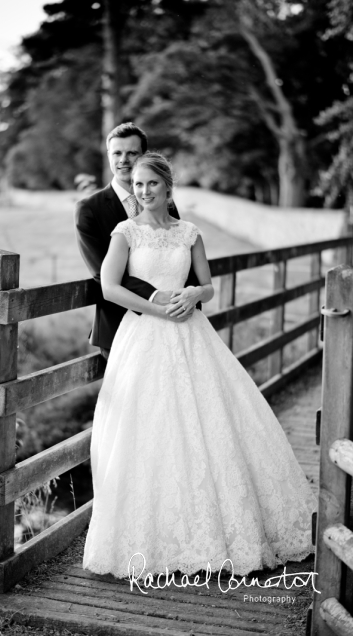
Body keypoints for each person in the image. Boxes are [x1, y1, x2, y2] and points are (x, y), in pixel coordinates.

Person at [81, 152, 316, 577]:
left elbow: (208, 286)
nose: (144, 191)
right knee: (148, 428)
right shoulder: (125, 233)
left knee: (210, 420)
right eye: (137, 184)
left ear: (168, 187)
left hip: (192, 334)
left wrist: (193, 296)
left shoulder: (189, 233)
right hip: (145, 336)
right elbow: (110, 288)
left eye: (152, 183)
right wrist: (155, 310)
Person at [74, 122, 203, 359]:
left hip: (176, 320)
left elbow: (181, 249)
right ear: (109, 156)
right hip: (119, 326)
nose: (124, 159)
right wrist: (156, 296)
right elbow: (102, 273)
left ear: (144, 156)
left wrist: (190, 298)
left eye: (132, 153)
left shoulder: (166, 202)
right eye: (117, 153)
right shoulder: (89, 209)